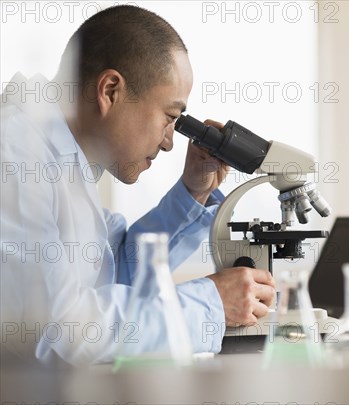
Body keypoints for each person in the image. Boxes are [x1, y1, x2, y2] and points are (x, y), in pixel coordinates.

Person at [0, 5, 275, 366]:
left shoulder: (57, 157)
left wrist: (193, 191)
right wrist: (211, 303)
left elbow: (110, 270)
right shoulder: (16, 154)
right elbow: (56, 331)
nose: (168, 142)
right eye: (169, 118)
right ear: (110, 90)